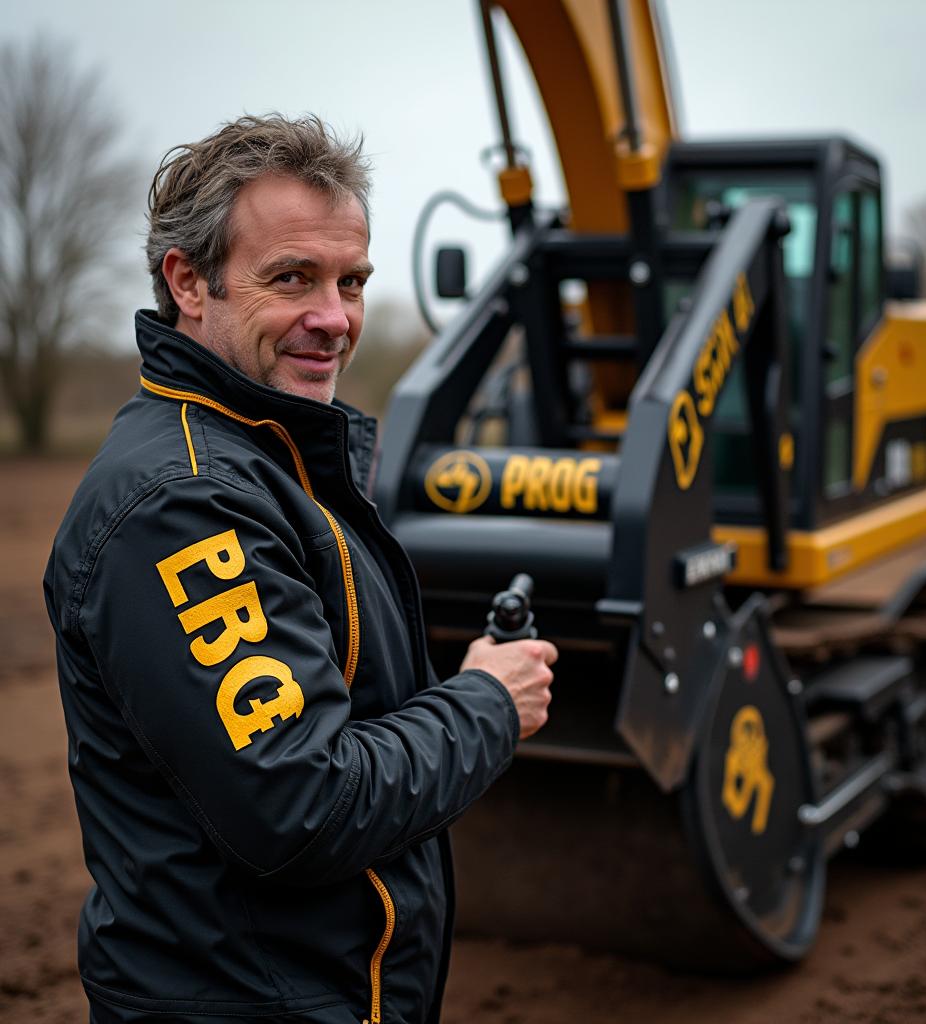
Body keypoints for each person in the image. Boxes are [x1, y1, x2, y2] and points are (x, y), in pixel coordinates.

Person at [44, 114, 557, 1024]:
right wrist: (486, 703)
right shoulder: (185, 505)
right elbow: (304, 804)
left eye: (350, 281)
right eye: (292, 279)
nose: (335, 318)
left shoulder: (271, 457)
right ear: (189, 282)